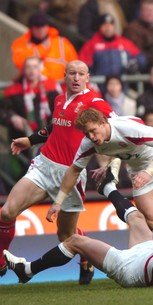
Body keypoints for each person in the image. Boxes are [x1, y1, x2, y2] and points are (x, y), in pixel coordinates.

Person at [0, 60, 115, 284]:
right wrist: (30, 140)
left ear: (88, 78)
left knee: (66, 236)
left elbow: (115, 126)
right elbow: (54, 126)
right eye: (72, 73)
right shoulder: (59, 98)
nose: (76, 78)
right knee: (6, 212)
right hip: (44, 166)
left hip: (71, 174)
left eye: (81, 74)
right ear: (64, 76)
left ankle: (86, 259)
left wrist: (114, 159)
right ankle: (1, 261)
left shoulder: (95, 102)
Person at [4, 206, 153, 287]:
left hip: (128, 268)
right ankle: (108, 185)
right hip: (148, 260)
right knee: (136, 217)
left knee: (75, 241)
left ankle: (27, 271)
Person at [0, 56, 62, 180]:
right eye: (28, 67)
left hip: (49, 139)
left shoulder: (52, 88)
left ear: (40, 68)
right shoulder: (13, 90)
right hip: (22, 142)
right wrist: (13, 117)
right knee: (23, 176)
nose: (31, 70)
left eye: (34, 67)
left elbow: (60, 111)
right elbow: (3, 111)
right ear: (23, 70)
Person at [79, 13, 147, 94]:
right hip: (100, 90)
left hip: (123, 89)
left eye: (111, 25)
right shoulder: (91, 44)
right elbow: (82, 66)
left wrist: (135, 63)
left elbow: (141, 59)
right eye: (105, 25)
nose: (108, 28)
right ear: (99, 27)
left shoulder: (124, 43)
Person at [11, 11, 78, 81]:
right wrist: (42, 48)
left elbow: (76, 65)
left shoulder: (62, 42)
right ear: (31, 28)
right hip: (35, 86)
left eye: (43, 26)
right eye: (37, 27)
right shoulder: (21, 43)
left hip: (61, 86)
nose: (41, 30)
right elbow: (20, 63)